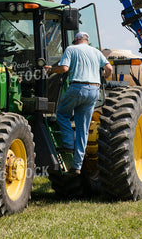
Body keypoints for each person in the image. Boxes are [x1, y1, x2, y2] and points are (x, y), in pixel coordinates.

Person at [45, 31, 112, 175]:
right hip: (94, 89)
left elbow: (64, 69)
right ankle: (77, 166)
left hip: (77, 87)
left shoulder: (71, 49)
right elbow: (109, 68)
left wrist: (50, 69)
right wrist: (104, 78)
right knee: (83, 128)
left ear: (76, 40)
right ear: (87, 40)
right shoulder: (96, 52)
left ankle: (69, 144)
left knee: (62, 114)